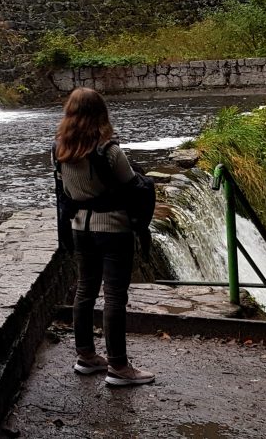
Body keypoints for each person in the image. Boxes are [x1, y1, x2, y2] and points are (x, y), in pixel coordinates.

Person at [52, 87, 156, 386]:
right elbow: (134, 185)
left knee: (84, 291)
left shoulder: (58, 150)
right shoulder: (108, 151)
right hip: (112, 230)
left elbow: (65, 193)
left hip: (79, 229)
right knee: (113, 297)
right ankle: (119, 368)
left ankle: (85, 356)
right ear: (100, 114)